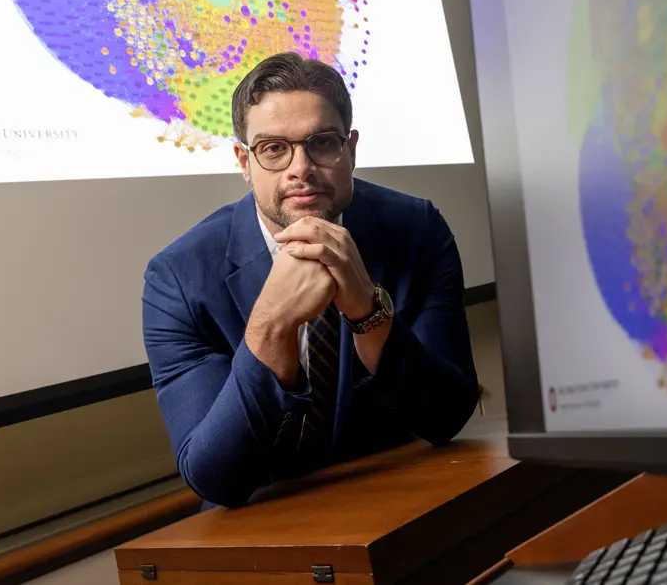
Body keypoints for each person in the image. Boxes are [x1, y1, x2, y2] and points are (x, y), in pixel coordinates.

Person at [141, 52, 479, 508]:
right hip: (264, 520)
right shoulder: (178, 278)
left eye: (321, 143)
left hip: (399, 491)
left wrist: (368, 312)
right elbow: (215, 478)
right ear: (245, 161)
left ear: (351, 149)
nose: (300, 168)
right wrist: (269, 323)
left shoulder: (417, 229)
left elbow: (448, 417)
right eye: (274, 149)